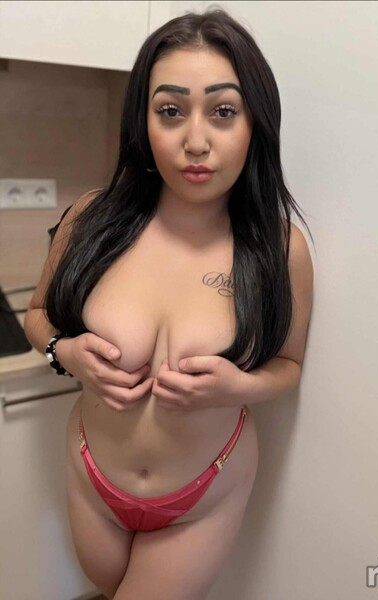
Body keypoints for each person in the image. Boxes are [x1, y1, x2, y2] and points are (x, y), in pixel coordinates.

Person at [24, 6, 314, 599]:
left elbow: (288, 366)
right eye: (171, 111)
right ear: (144, 121)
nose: (196, 142)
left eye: (224, 111)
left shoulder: (281, 248)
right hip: (90, 475)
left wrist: (236, 387)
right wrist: (65, 353)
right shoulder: (91, 218)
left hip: (204, 495)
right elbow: (37, 316)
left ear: (256, 122)